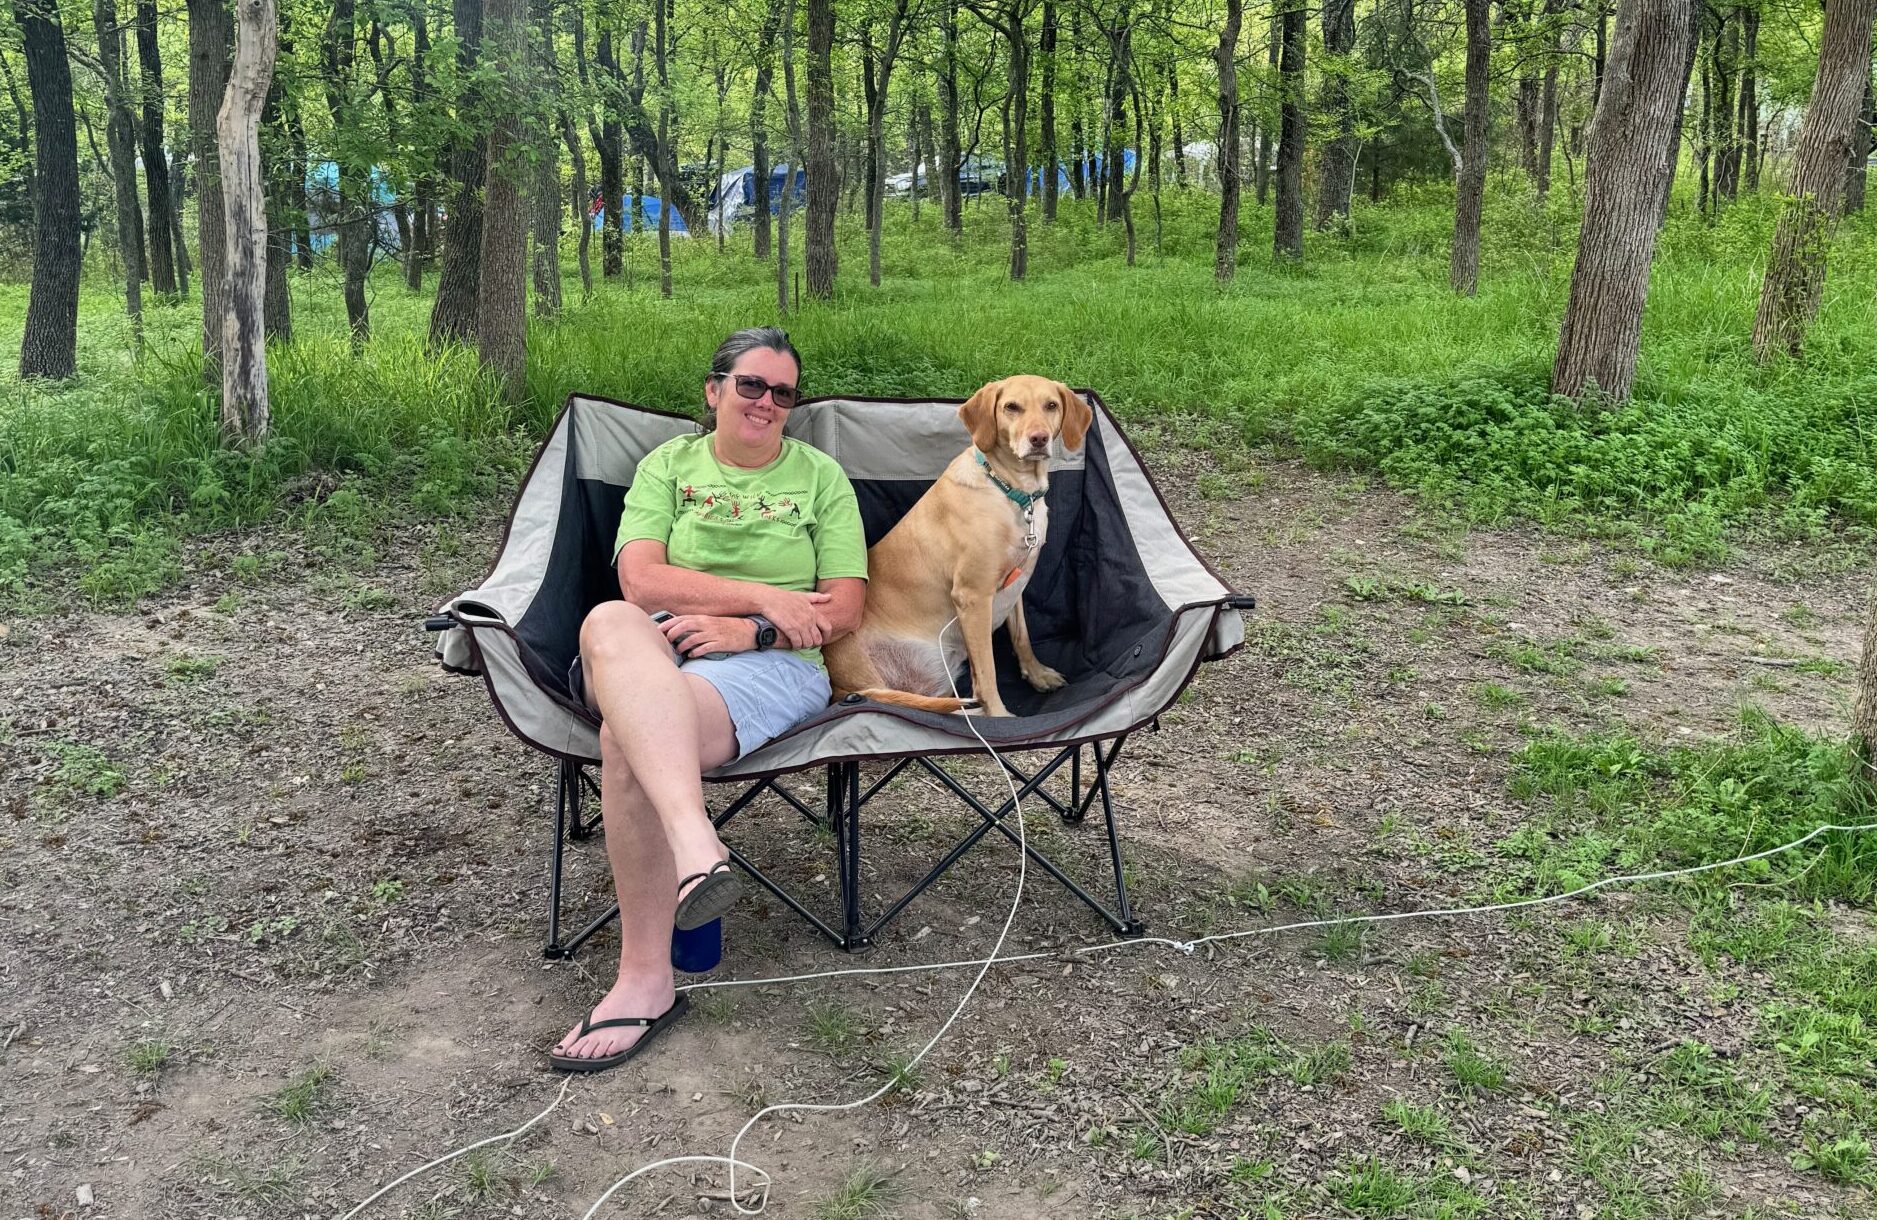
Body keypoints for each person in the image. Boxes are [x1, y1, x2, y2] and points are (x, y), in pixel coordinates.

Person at [550, 328, 868, 1073]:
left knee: (627, 740)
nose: (765, 403)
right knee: (607, 619)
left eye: (782, 393)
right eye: (750, 385)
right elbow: (640, 581)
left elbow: (843, 608)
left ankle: (645, 981)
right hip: (644, 647)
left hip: (769, 665)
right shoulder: (668, 465)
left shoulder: (820, 477)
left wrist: (748, 630)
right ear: (713, 390)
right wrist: (763, 594)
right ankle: (697, 847)